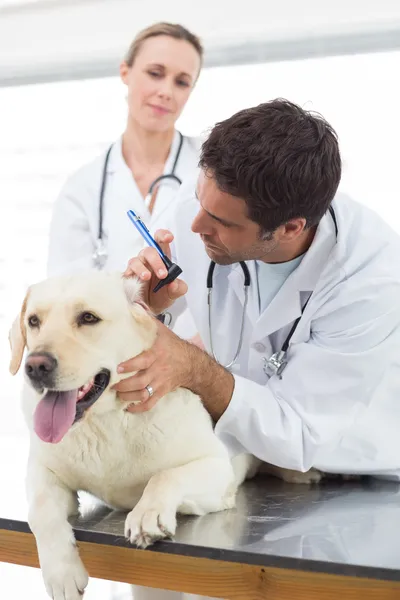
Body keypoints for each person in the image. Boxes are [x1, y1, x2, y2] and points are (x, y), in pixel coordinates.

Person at [116, 98, 400, 482]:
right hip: (250, 457)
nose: (196, 225)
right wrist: (148, 307)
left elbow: (299, 433)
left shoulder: (368, 280)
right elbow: (145, 306)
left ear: (289, 229)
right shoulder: (211, 200)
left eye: (219, 222)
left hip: (353, 476)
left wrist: (194, 369)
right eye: (199, 201)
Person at [47, 21, 203, 278]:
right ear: (125, 72)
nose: (166, 91)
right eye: (155, 73)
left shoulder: (211, 169)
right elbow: (63, 292)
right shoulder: (82, 189)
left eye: (182, 82)